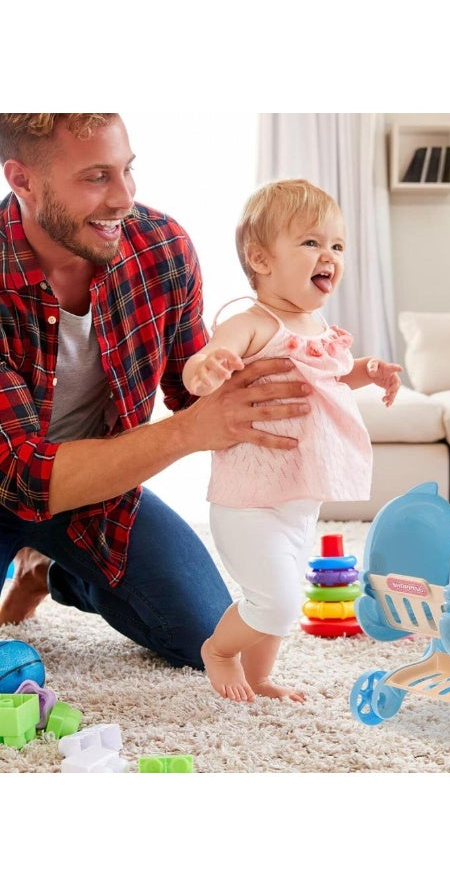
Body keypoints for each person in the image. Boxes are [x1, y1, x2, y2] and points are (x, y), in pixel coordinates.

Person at [0, 113, 313, 670]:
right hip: (3, 490)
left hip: (98, 494)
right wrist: (193, 430)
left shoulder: (159, 247)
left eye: (128, 170)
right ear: (22, 180)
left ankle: (46, 570)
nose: (124, 197)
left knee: (205, 638)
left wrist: (272, 363)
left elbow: (193, 389)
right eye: (97, 177)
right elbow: (21, 477)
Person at [183, 178, 402, 703]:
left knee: (279, 596)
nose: (328, 255)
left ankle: (260, 678)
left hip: (298, 498)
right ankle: (219, 650)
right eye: (311, 243)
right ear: (261, 259)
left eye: (337, 245)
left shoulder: (317, 325)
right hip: (250, 500)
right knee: (277, 603)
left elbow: (331, 379)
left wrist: (367, 370)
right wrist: (207, 369)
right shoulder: (252, 322)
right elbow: (202, 364)